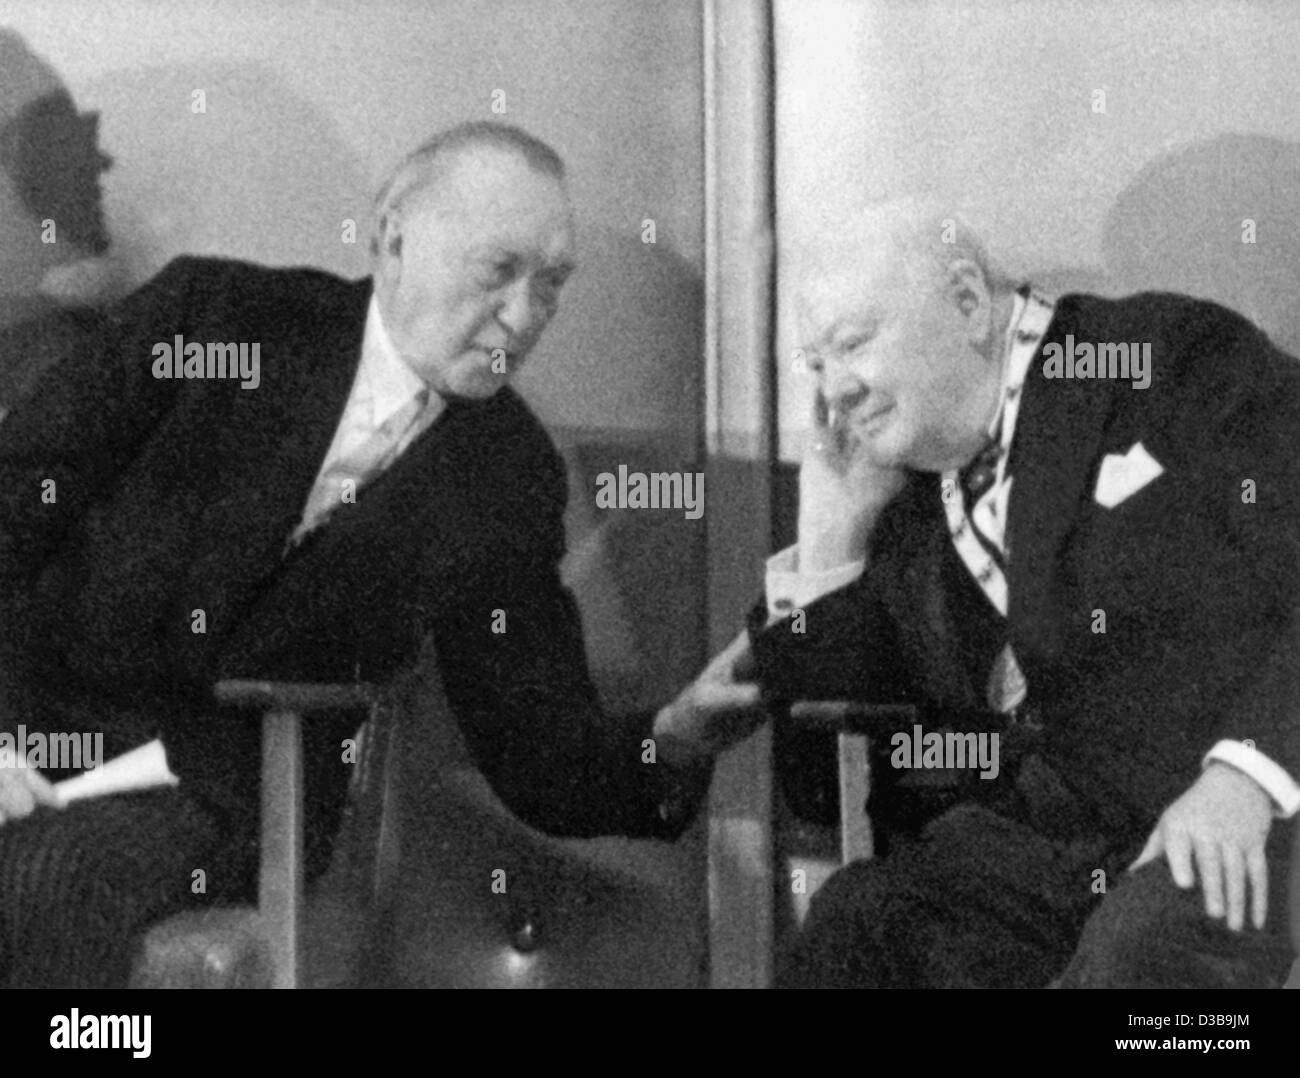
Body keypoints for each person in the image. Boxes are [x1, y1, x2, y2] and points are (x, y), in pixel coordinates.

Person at [0, 121, 702, 988]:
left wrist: (676, 742)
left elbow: (535, 745)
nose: (523, 319)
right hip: (28, 721)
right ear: (395, 234)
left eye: (551, 284)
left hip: (221, 798)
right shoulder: (214, 317)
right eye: (500, 271)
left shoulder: (505, 474)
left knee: (42, 875)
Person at [654, 198, 1300, 988]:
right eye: (815, 362)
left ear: (966, 302)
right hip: (1057, 849)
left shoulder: (1163, 355)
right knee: (857, 927)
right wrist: (829, 531)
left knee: (1137, 965)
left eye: (853, 344)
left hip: (1253, 820)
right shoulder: (915, 497)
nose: (835, 390)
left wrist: (1247, 775)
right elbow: (818, 775)